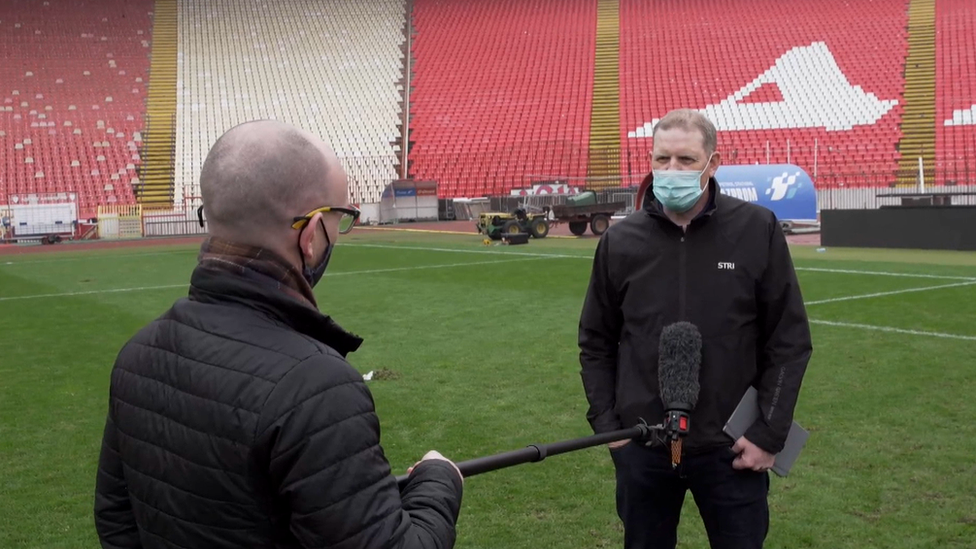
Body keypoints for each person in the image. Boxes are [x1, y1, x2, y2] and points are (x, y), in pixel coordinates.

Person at [94, 120, 464, 548]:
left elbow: (118, 523)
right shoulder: (316, 385)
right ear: (309, 235)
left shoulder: (137, 354)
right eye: (337, 219)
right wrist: (439, 484)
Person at [578, 109, 813, 549]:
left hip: (733, 451)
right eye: (661, 159)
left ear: (713, 163)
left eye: (686, 160)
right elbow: (595, 342)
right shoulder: (620, 241)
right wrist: (610, 429)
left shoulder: (756, 229)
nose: (671, 171)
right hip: (641, 446)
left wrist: (767, 434)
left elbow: (789, 340)